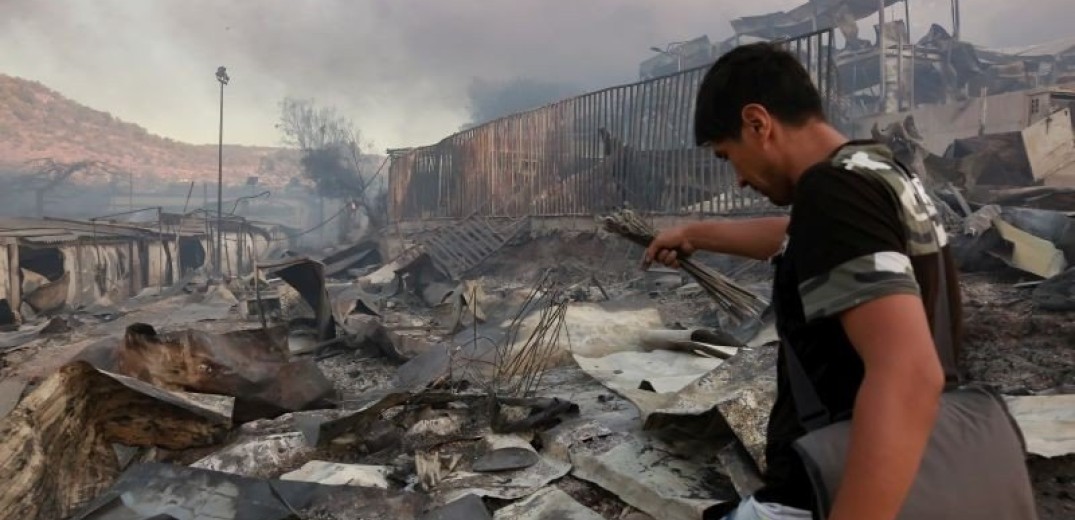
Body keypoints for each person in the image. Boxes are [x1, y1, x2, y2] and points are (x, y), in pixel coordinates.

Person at [643, 43, 960, 520]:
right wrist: (694, 234)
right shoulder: (877, 173)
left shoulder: (831, 192)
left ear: (757, 123)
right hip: (922, 465)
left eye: (728, 156)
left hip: (834, 486)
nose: (739, 181)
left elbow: (910, 375)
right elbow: (800, 237)